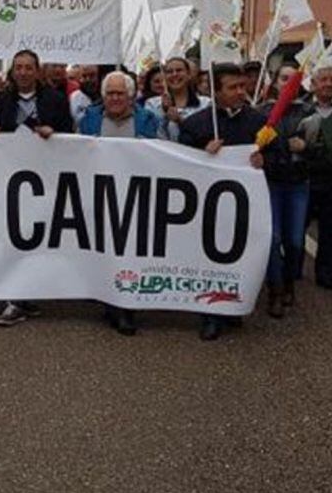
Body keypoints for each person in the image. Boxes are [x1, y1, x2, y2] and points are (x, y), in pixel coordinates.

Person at [0, 49, 73, 327]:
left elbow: (70, 135)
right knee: (11, 235)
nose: (22, 72)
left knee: (34, 237)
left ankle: (27, 293)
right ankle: (13, 299)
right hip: (8, 179)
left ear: (37, 71)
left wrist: (54, 134)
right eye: (18, 67)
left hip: (43, 180)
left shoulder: (56, 101)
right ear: (12, 71)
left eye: (28, 67)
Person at [180, 62, 266, 340]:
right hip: (207, 209)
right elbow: (177, 164)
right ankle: (211, 315)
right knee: (211, 259)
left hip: (246, 208)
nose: (241, 92)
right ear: (216, 92)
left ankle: (234, 305)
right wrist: (201, 153)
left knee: (242, 256)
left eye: (243, 86)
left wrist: (265, 160)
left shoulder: (259, 123)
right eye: (233, 87)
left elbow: (280, 160)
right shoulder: (196, 124)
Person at [79, 72, 160, 335]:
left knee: (128, 252)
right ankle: (108, 298)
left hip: (137, 196)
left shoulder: (148, 120)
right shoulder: (88, 119)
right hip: (100, 195)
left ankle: (125, 308)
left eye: (120, 93)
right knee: (104, 248)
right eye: (110, 93)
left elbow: (165, 153)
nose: (115, 98)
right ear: (103, 96)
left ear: (131, 95)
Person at [258, 60, 312, 317]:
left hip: (298, 184)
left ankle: (289, 280)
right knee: (273, 239)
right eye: (283, 79)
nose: (288, 84)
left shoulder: (308, 112)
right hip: (271, 184)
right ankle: (275, 290)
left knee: (294, 241)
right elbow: (253, 149)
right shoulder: (262, 113)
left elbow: (322, 150)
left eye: (293, 79)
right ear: (275, 82)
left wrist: (307, 148)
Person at [301, 66, 332, 289]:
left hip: (330, 182)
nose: (328, 84)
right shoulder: (301, 110)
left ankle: (325, 274)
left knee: (329, 231)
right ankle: (293, 270)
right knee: (297, 229)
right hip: (305, 180)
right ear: (313, 84)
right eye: (323, 79)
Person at [144, 56, 210, 142]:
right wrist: (163, 114)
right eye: (169, 72)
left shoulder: (206, 103)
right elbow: (151, 137)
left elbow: (207, 134)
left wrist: (181, 121)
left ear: (189, 75)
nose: (174, 74)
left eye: (179, 70)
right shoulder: (152, 104)